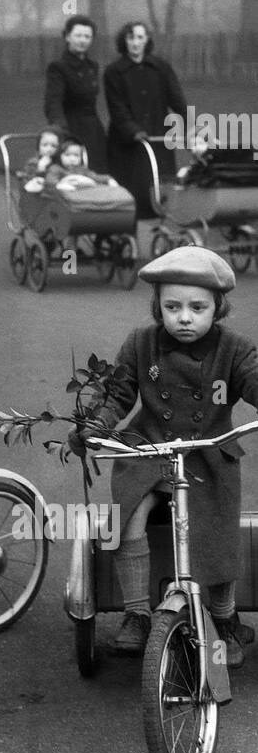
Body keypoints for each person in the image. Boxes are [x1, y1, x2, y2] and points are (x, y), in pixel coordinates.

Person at [75, 248, 258, 662]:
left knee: (215, 529)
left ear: (218, 308)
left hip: (207, 451)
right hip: (150, 446)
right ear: (158, 306)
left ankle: (225, 618)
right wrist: (98, 424)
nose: (185, 317)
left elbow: (252, 380)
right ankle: (138, 614)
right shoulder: (141, 343)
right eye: (172, 307)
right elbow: (118, 393)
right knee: (129, 518)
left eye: (198, 307)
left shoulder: (234, 348)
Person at [104, 20, 187, 218]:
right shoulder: (114, 72)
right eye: (131, 38)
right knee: (135, 186)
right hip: (128, 140)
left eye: (140, 38)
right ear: (124, 41)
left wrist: (187, 122)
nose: (135, 43)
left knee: (160, 183)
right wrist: (133, 130)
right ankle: (129, 227)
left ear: (147, 40)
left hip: (158, 134)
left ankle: (160, 225)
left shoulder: (161, 68)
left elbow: (177, 99)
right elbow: (117, 108)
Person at [44, 15, 107, 171]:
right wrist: (61, 130)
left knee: (97, 171)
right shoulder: (58, 67)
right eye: (78, 35)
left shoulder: (92, 66)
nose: (82, 40)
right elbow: (53, 102)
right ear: (67, 36)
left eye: (87, 36)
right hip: (71, 129)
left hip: (94, 130)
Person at [44, 139, 121, 191]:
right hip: (62, 201)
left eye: (76, 155)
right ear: (60, 155)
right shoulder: (55, 168)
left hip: (80, 198)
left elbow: (95, 177)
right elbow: (50, 180)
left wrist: (108, 179)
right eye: (68, 155)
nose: (72, 159)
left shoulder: (83, 170)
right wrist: (59, 185)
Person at [20, 127, 62, 193]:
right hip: (37, 195)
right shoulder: (33, 163)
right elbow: (26, 183)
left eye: (53, 146)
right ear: (38, 147)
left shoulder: (60, 162)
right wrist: (40, 169)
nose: (49, 149)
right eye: (45, 145)